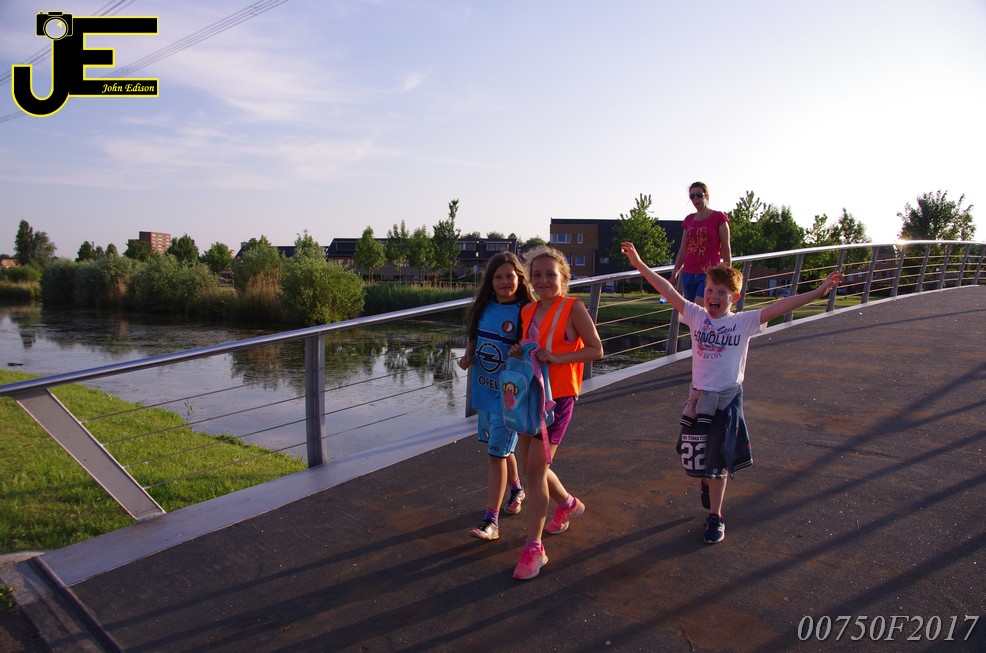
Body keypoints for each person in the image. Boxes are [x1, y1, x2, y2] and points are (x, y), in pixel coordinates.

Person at [622, 241, 843, 544]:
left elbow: (783, 306)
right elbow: (668, 290)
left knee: (718, 459)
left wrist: (819, 291)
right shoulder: (696, 315)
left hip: (727, 400)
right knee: (697, 457)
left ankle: (716, 515)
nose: (713, 296)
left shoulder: (743, 322)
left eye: (722, 292)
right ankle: (705, 483)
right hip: (699, 399)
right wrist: (639, 264)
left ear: (734, 298)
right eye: (710, 290)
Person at [509, 246, 604, 579]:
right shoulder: (528, 311)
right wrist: (520, 349)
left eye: (551, 274)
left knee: (535, 471)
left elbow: (596, 349)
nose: (543, 280)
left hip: (558, 399)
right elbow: (533, 349)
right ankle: (567, 504)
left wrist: (558, 358)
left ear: (564, 277)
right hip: (530, 396)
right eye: (536, 275)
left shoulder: (573, 307)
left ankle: (534, 548)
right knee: (531, 467)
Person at [458, 252, 533, 542]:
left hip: (510, 395)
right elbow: (473, 338)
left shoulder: (526, 310)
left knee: (495, 456)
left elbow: (534, 344)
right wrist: (467, 356)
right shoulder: (483, 307)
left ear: (519, 278)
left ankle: (491, 520)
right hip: (485, 390)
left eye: (509, 276)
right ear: (490, 281)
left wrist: (521, 348)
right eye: (498, 277)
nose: (504, 282)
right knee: (499, 449)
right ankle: (517, 490)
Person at [672, 181, 732, 307]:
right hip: (688, 271)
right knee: (691, 311)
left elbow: (726, 248)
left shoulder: (718, 217)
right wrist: (674, 274)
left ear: (706, 195)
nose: (696, 199)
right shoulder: (689, 220)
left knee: (699, 307)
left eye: (699, 195)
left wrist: (728, 273)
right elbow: (683, 249)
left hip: (708, 272)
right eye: (692, 196)